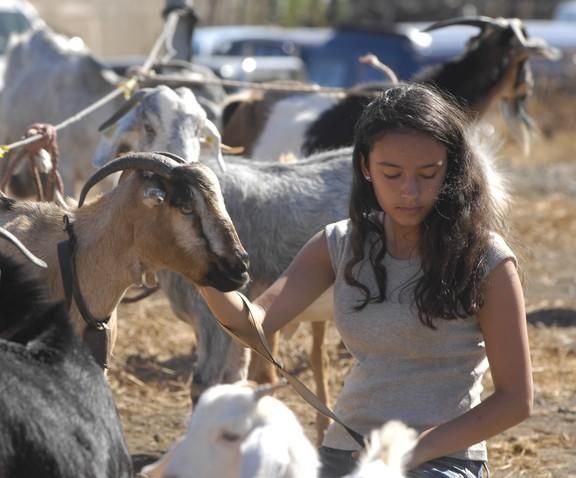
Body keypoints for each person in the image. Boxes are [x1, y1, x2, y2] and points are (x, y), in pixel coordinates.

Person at [197, 83, 532, 478]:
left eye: (428, 174)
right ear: (365, 168)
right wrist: (202, 270)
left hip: (442, 461)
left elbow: (515, 400)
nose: (409, 191)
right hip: (345, 454)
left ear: (452, 169)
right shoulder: (339, 243)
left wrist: (412, 451)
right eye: (392, 174)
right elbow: (251, 325)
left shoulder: (485, 259)